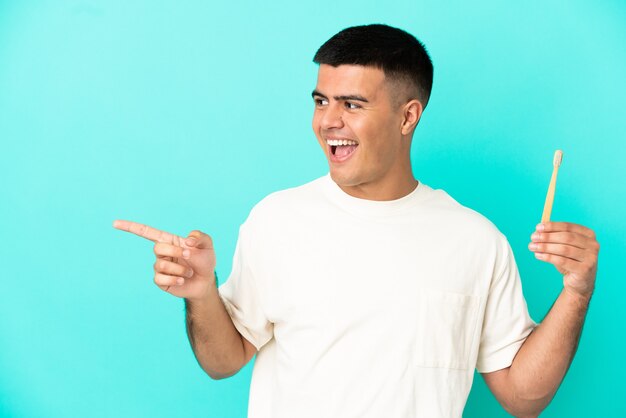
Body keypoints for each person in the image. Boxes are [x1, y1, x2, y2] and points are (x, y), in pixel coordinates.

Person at [113, 24, 599, 418]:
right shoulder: (275, 220)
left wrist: (576, 293)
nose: (327, 121)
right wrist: (202, 294)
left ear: (408, 117)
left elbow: (522, 397)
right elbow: (224, 361)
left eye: (352, 104)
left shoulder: (476, 240)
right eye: (321, 100)